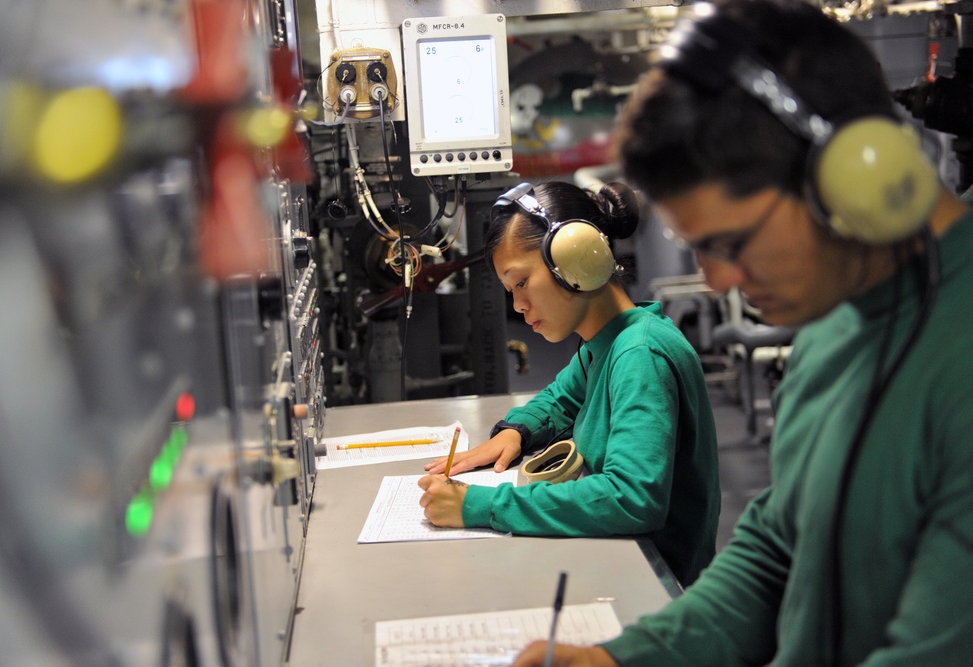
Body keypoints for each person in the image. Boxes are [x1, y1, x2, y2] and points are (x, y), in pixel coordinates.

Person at [512, 0, 973, 665]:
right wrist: (624, 658)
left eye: (731, 241)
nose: (720, 281)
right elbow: (779, 552)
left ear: (850, 180)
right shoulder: (831, 324)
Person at [417, 179, 721, 588]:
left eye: (521, 282)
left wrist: (481, 505)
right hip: (622, 563)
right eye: (510, 291)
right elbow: (561, 400)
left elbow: (630, 498)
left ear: (577, 259)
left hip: (659, 585)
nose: (518, 306)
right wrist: (516, 432)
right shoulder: (606, 342)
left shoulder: (640, 355)